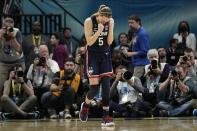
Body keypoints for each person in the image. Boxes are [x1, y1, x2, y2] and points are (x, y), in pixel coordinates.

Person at [79, 5, 115, 126]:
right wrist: (99, 31)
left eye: (108, 19)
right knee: (94, 87)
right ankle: (85, 106)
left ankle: (106, 116)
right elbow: (89, 42)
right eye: (105, 18)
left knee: (106, 87)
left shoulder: (110, 21)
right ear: (99, 15)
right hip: (93, 55)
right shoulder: (89, 21)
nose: (106, 20)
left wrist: (110, 28)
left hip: (105, 54)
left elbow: (110, 42)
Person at [0, 17, 25, 110]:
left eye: (10, 27)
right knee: (0, 84)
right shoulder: (0, 32)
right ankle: (1, 108)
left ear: (13, 25)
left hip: (18, 62)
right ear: (3, 26)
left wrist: (12, 37)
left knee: (21, 82)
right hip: (3, 62)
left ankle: (20, 106)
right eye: (6, 27)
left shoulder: (17, 32)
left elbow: (19, 49)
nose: (8, 29)